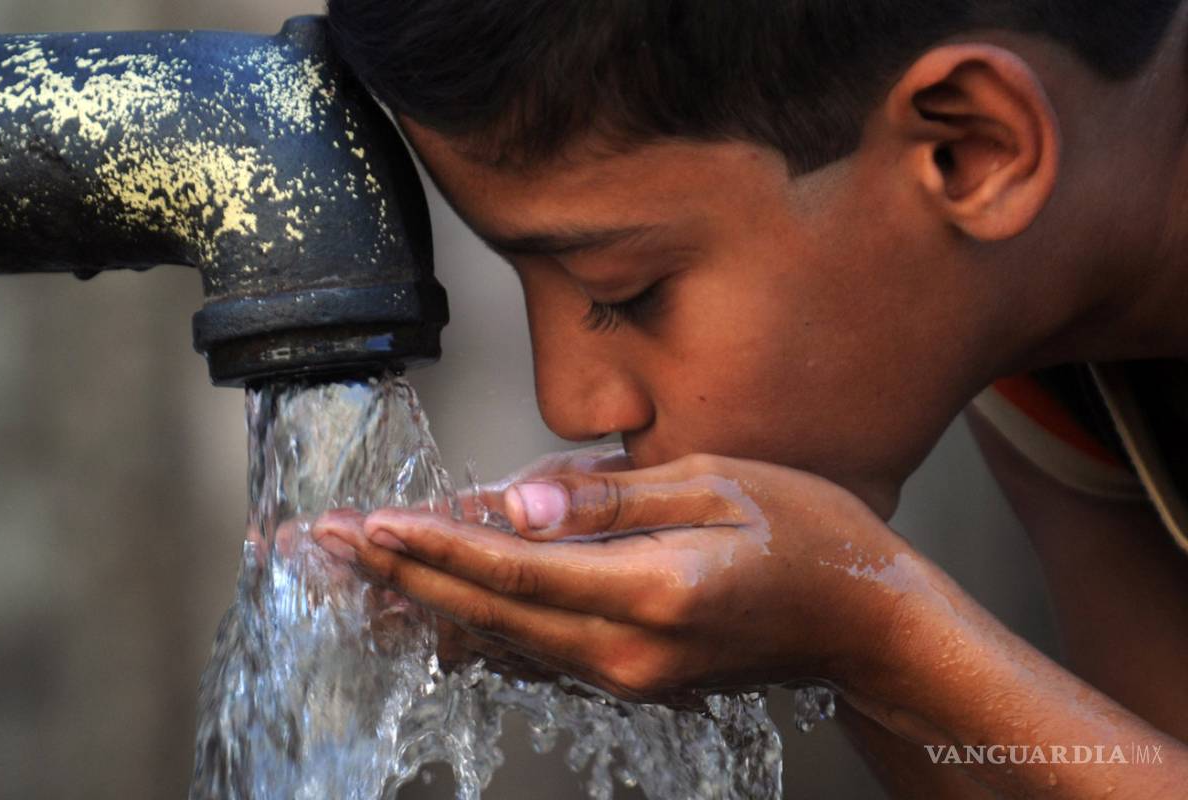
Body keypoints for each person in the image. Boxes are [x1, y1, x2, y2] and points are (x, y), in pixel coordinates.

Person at [312, 1, 1188, 796]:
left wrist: (881, 636)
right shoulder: (1041, 346)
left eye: (626, 292)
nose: (570, 405)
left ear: (972, 149)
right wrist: (813, 638)